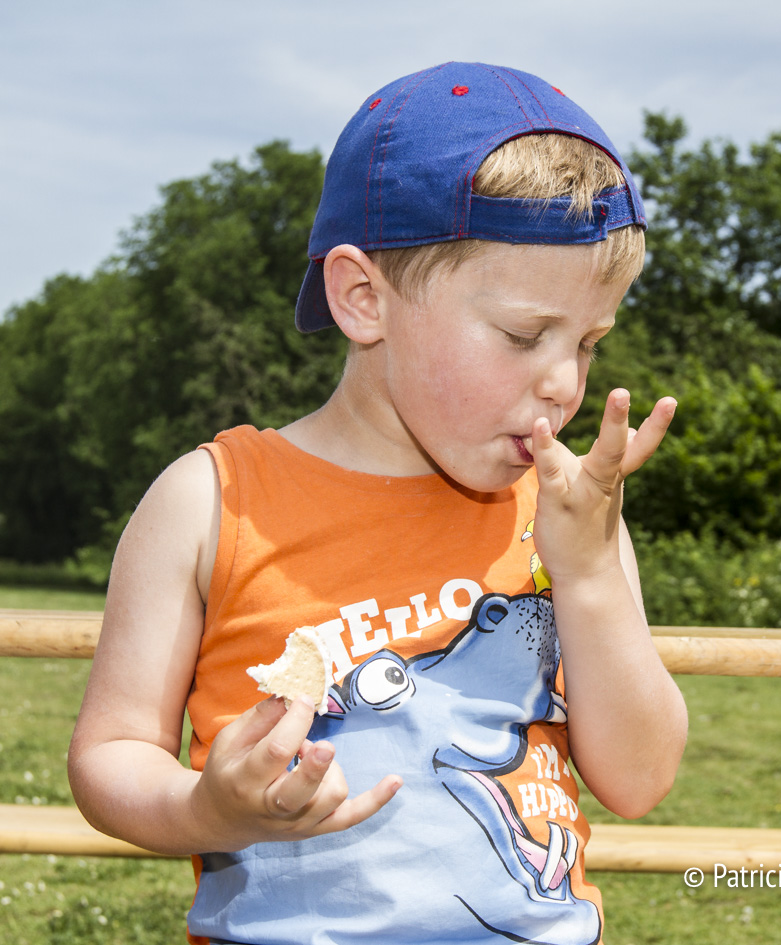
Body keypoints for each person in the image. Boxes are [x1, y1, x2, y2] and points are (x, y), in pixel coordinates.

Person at [68, 61, 688, 944]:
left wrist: (587, 572)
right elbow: (108, 757)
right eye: (522, 335)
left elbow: (639, 777)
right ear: (363, 297)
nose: (563, 382)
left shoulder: (568, 517)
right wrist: (208, 809)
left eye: (588, 340)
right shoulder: (210, 502)